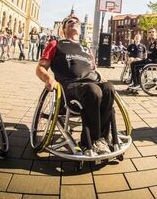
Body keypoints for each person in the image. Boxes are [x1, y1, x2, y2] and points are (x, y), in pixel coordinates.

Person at [36, 15, 114, 155]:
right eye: (69, 22)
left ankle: (102, 138)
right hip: (71, 87)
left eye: (77, 22)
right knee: (93, 90)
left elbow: (94, 69)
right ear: (64, 29)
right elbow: (40, 67)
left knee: (108, 88)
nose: (74, 23)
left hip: (91, 83)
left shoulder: (86, 48)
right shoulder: (56, 44)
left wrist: (103, 78)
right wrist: (48, 79)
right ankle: (90, 142)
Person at [129, 28, 157, 92]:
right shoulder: (151, 43)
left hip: (153, 62)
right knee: (134, 64)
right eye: (149, 32)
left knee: (134, 65)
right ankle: (137, 83)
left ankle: (137, 83)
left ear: (156, 33)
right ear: (148, 34)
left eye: (153, 32)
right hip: (148, 61)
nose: (151, 33)